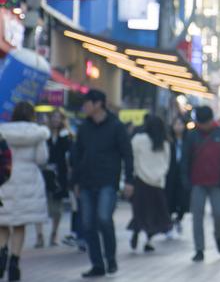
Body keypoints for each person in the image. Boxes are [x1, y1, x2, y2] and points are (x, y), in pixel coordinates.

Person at [72, 89, 134, 278]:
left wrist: (129, 181)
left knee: (104, 219)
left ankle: (111, 259)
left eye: (87, 103)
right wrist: (74, 181)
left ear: (98, 104)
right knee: (88, 225)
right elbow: (76, 155)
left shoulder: (116, 126)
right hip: (86, 182)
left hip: (108, 181)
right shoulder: (84, 127)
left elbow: (127, 154)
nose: (84, 107)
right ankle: (97, 264)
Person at [0, 102, 49, 281]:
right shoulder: (38, 133)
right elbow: (41, 158)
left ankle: (1, 253)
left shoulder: (3, 131)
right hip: (28, 180)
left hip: (5, 178)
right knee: (19, 225)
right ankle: (14, 261)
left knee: (3, 223)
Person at [181, 106, 220, 262]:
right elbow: (185, 159)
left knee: (219, 214)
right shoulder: (192, 135)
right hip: (197, 182)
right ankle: (199, 249)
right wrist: (185, 179)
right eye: (200, 123)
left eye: (205, 123)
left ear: (212, 120)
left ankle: (218, 236)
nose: (203, 126)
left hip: (217, 182)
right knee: (197, 216)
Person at [128, 114, 172, 252]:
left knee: (139, 211)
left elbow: (132, 158)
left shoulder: (138, 139)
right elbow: (167, 162)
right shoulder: (164, 143)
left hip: (140, 181)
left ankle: (136, 231)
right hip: (157, 183)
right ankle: (149, 240)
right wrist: (160, 175)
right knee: (154, 212)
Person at [38, 110, 72, 247]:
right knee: (40, 204)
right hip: (44, 172)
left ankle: (54, 233)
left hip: (59, 174)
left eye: (58, 117)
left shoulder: (66, 135)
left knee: (57, 206)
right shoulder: (43, 135)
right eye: (53, 117)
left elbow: (68, 153)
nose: (55, 120)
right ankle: (39, 235)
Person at [165, 116, 189, 236]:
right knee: (169, 199)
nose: (178, 127)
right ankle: (168, 225)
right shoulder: (168, 140)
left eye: (180, 124)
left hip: (184, 175)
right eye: (176, 124)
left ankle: (178, 219)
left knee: (184, 200)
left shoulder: (188, 140)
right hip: (170, 175)